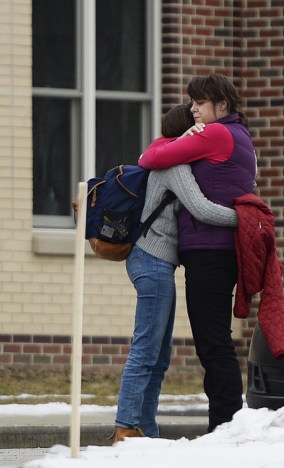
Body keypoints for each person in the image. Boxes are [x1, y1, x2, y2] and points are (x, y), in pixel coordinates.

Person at [112, 103, 240, 443]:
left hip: (155, 261)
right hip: (152, 259)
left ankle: (146, 430)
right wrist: (245, 219)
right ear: (186, 132)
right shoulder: (175, 165)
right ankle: (126, 427)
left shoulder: (169, 159)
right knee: (146, 349)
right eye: (196, 127)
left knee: (159, 354)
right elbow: (200, 208)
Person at [138, 74, 257, 432]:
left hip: (209, 250)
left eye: (200, 102)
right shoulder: (242, 137)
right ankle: (225, 422)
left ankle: (225, 425)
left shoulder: (218, 133)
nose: (193, 109)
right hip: (218, 252)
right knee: (214, 340)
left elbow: (153, 157)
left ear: (222, 105)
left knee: (213, 343)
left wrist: (164, 145)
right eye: (192, 102)